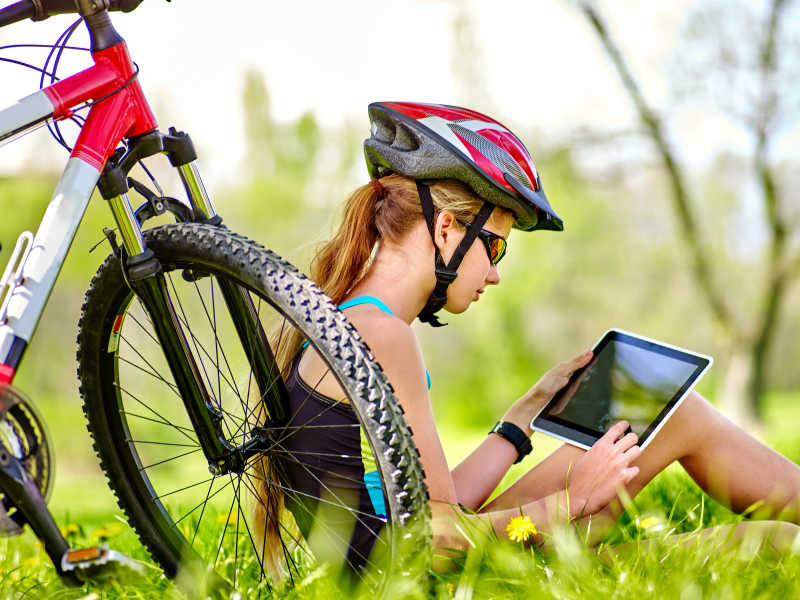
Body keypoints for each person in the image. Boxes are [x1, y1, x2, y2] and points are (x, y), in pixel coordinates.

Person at [253, 101, 800, 576]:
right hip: (443, 582)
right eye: (494, 247)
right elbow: (438, 544)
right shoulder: (386, 336)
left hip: (421, 569)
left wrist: (523, 416)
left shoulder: (347, 321)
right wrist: (574, 498)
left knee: (673, 414)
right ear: (446, 228)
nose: (493, 274)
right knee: (774, 543)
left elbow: (440, 507)